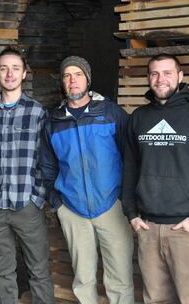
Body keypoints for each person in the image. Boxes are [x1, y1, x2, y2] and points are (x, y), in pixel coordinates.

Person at [122, 54, 189, 304]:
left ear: (180, 77)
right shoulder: (138, 118)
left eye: (167, 73)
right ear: (148, 78)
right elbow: (129, 168)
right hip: (148, 229)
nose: (161, 79)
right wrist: (131, 213)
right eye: (154, 73)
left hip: (184, 230)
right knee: (155, 299)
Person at [39, 56, 135, 304]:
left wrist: (125, 199)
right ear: (62, 82)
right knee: (83, 279)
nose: (73, 80)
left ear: (88, 79)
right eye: (67, 76)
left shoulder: (111, 113)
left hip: (112, 207)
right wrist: (58, 203)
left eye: (78, 74)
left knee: (120, 279)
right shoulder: (53, 122)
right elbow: (47, 167)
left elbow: (131, 156)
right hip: (73, 210)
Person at [0, 46, 54, 304]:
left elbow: (47, 159)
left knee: (39, 270)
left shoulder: (38, 112)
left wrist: (37, 196)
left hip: (27, 205)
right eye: (4, 68)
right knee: (2, 271)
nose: (10, 74)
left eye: (15, 68)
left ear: (24, 73)